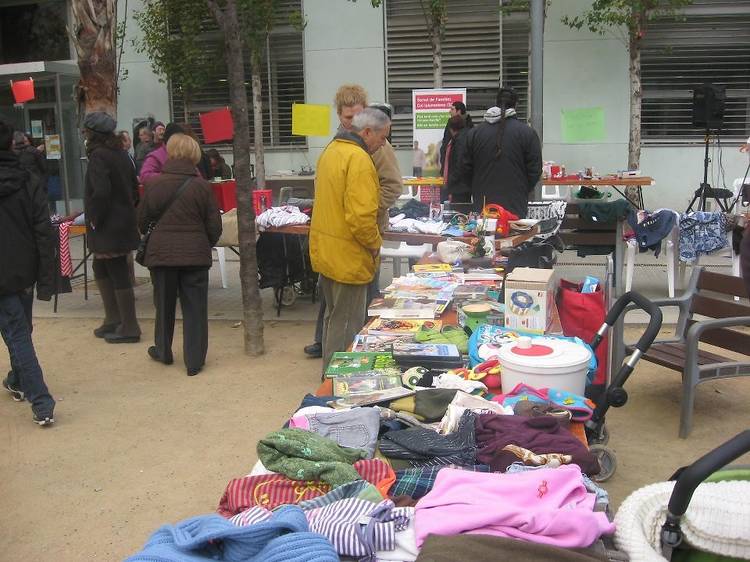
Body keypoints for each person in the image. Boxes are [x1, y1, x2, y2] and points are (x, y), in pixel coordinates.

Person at [303, 85, 402, 359]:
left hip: (330, 249)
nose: (383, 144)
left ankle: (330, 378)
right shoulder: (358, 158)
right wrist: (373, 243)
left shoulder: (332, 150)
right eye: (382, 138)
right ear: (367, 131)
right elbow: (359, 217)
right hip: (349, 252)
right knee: (346, 323)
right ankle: (336, 384)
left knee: (334, 318)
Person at [138, 134, 222, 376]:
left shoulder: (153, 184)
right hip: (195, 256)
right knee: (195, 309)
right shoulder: (202, 186)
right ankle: (194, 360)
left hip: (162, 255)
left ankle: (163, 350)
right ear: (195, 155)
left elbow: (141, 220)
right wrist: (203, 243)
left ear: (170, 153)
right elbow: (214, 225)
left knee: (163, 304)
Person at [0, 120, 56, 426]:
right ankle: (19, 379)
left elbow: (42, 229)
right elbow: (42, 230)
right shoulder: (29, 179)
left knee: (18, 333)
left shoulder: (27, 179)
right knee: (19, 329)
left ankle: (41, 400)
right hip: (23, 269)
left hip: (16, 270)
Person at [83, 112, 142, 344]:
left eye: (86, 131)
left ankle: (129, 325)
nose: (84, 134)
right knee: (101, 267)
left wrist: (95, 217)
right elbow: (134, 188)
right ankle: (113, 318)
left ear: (93, 133)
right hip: (122, 220)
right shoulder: (121, 153)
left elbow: (102, 192)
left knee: (116, 270)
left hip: (108, 223)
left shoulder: (99, 156)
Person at [461, 85, 542, 218]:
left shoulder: (475, 133)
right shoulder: (527, 133)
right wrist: (522, 188)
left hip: (483, 203)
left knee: (484, 237)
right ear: (515, 105)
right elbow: (535, 170)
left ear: (496, 103)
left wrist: (476, 187)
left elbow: (464, 169)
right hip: (516, 203)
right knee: (514, 237)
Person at [443, 114, 472, 204]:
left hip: (459, 186)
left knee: (458, 212)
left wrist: (451, 181)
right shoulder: (464, 137)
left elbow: (459, 163)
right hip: (462, 185)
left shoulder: (459, 141)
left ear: (451, 129)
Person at [440, 101, 473, 174]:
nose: (449, 111)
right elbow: (445, 142)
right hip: (449, 166)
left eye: (452, 109)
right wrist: (443, 162)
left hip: (462, 170)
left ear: (459, 111)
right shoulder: (450, 123)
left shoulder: (469, 126)